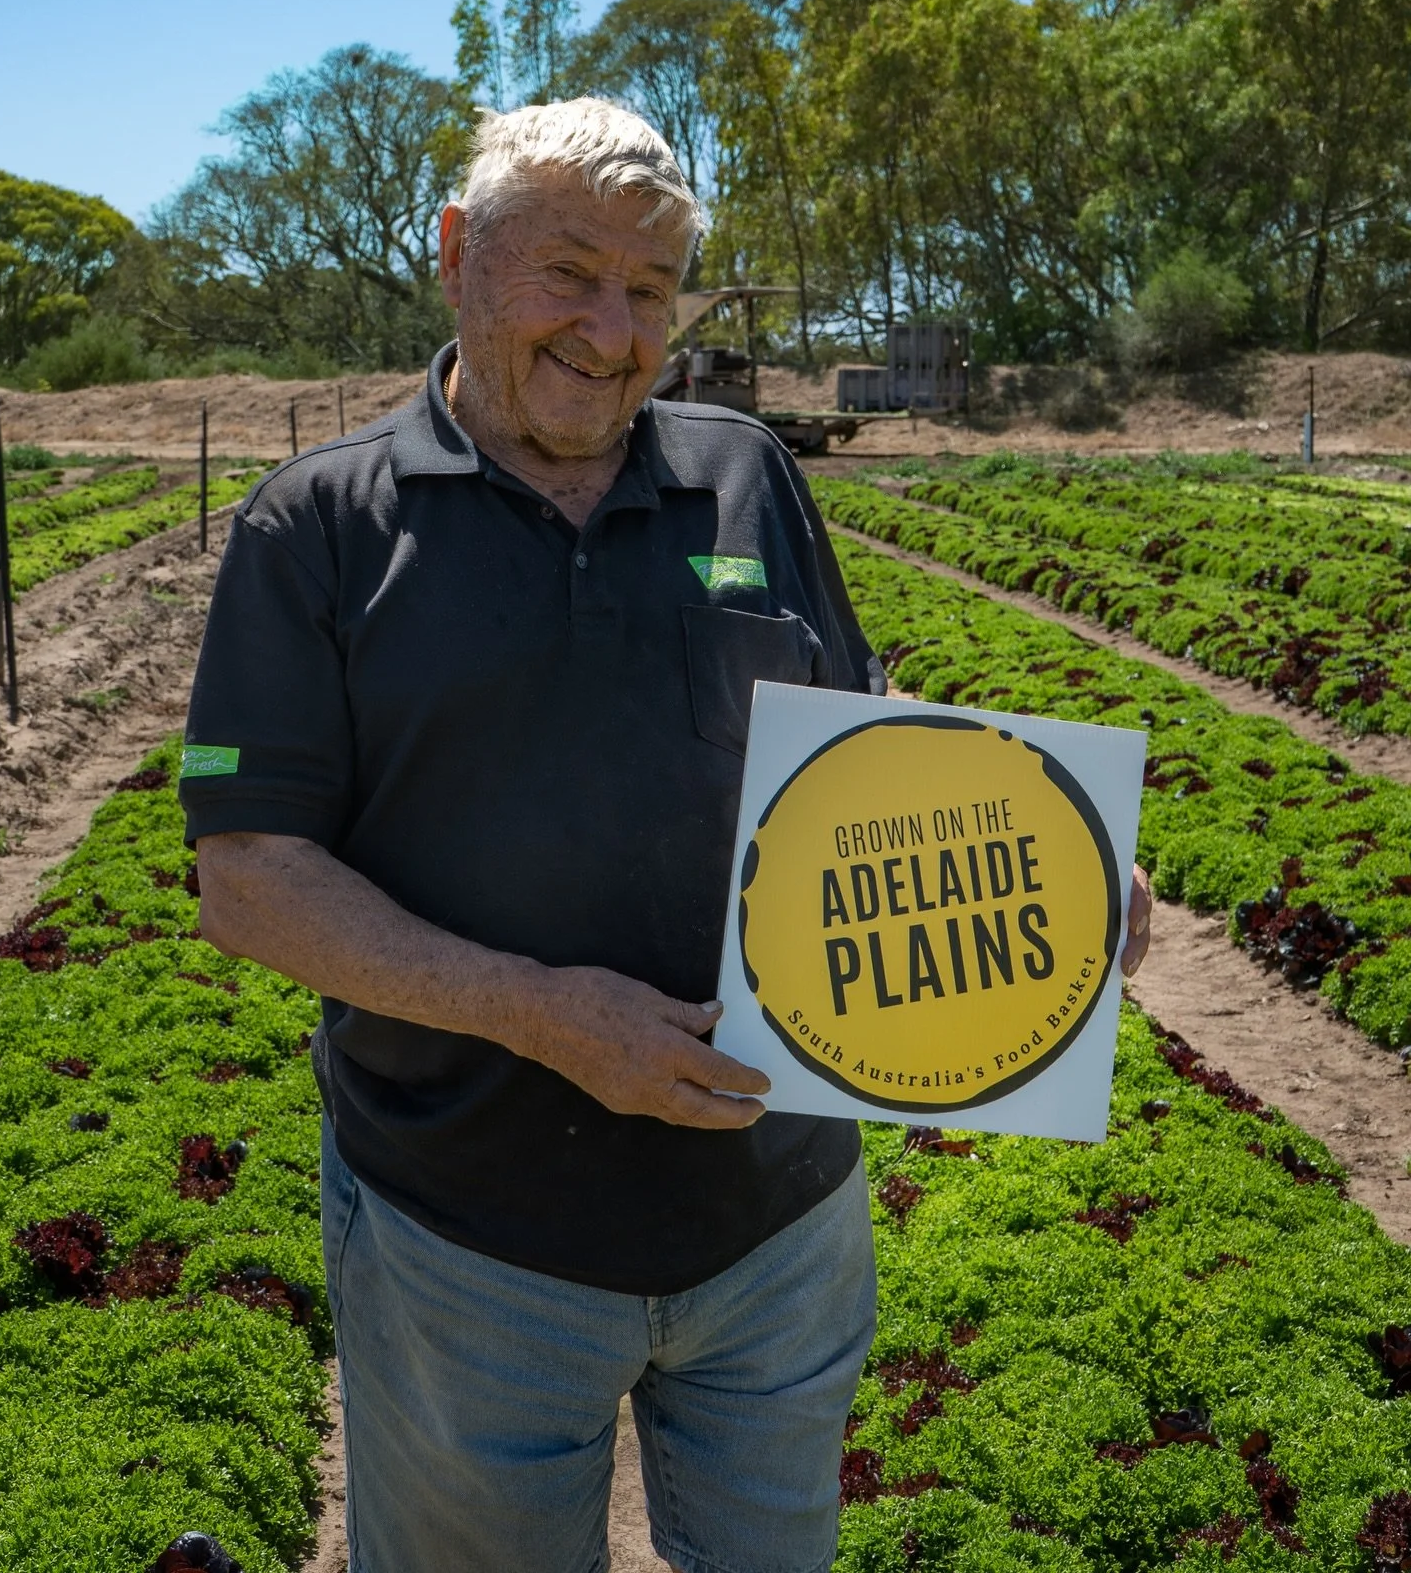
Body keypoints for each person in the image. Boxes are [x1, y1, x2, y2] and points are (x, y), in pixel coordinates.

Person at [184, 99, 1153, 1573]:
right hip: (476, 1242)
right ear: (458, 257)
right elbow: (248, 878)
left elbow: (857, 724)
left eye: (649, 289)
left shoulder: (746, 472)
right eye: (567, 272)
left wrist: (1051, 846)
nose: (611, 329)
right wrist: (539, 1014)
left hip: (779, 1222)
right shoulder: (316, 530)